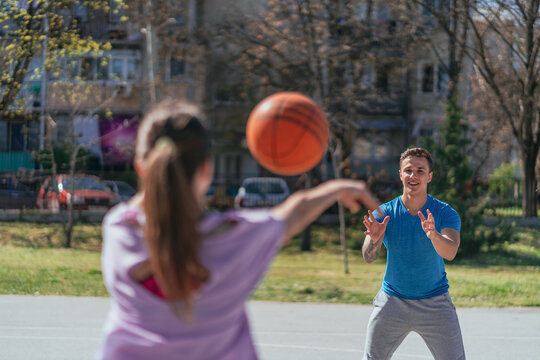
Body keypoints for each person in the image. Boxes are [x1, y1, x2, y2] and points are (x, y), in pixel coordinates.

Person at [96, 99, 380, 360]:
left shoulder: (120, 230)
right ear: (206, 172)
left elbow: (144, 210)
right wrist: (335, 188)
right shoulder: (234, 240)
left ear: (141, 167)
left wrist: (157, 175)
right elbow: (294, 213)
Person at [361, 147, 465, 360]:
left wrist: (434, 235)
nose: (413, 175)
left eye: (420, 170)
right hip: (392, 301)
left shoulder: (445, 212)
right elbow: (368, 257)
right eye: (408, 170)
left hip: (435, 303)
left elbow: (451, 251)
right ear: (400, 174)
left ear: (429, 176)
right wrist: (374, 239)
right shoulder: (384, 213)